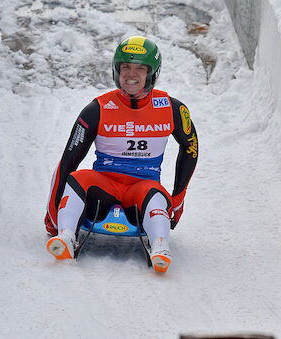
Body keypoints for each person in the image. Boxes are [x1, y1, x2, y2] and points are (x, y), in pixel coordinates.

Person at [43, 36, 198, 273]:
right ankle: (65, 237)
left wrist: (177, 199)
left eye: (140, 68)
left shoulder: (172, 108)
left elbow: (191, 149)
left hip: (143, 187)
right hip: (104, 185)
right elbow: (68, 160)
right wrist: (53, 216)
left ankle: (160, 247)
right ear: (116, 70)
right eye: (125, 67)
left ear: (152, 73)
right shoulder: (98, 108)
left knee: (157, 195)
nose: (131, 75)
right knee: (79, 178)